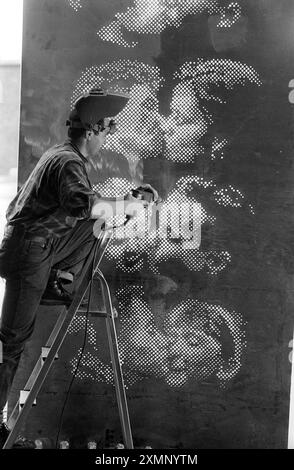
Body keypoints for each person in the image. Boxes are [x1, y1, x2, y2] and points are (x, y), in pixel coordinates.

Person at [0, 87, 158, 447]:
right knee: (10, 343)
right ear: (92, 130)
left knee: (97, 224)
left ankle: (60, 277)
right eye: (107, 129)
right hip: (29, 253)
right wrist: (125, 207)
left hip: (40, 249)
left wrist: (124, 203)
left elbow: (87, 215)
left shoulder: (67, 156)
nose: (108, 136)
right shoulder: (69, 161)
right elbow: (86, 207)